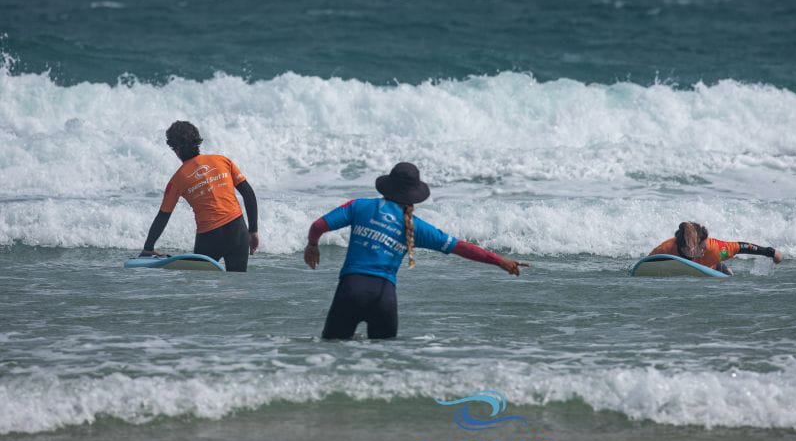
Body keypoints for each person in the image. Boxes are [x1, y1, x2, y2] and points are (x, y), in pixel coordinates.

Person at [304, 162, 527, 340]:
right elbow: (461, 247)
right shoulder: (416, 227)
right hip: (383, 299)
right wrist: (500, 261)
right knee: (382, 367)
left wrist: (312, 245)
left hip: (349, 292)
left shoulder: (358, 206)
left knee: (331, 355)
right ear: (414, 195)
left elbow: (318, 226)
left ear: (387, 185)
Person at [139, 121, 259, 272]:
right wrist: (253, 230)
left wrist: (148, 248)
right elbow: (249, 194)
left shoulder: (177, 179)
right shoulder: (222, 161)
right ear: (197, 141)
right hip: (238, 232)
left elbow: (163, 216)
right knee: (237, 288)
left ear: (174, 148)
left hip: (210, 238)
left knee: (201, 290)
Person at [649, 221, 783, 275]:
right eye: (701, 247)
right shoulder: (665, 250)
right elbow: (645, 265)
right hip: (682, 271)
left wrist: (770, 252)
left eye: (704, 245)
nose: (704, 248)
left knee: (727, 274)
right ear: (688, 247)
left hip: (711, 268)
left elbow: (741, 247)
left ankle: (724, 267)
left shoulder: (713, 248)